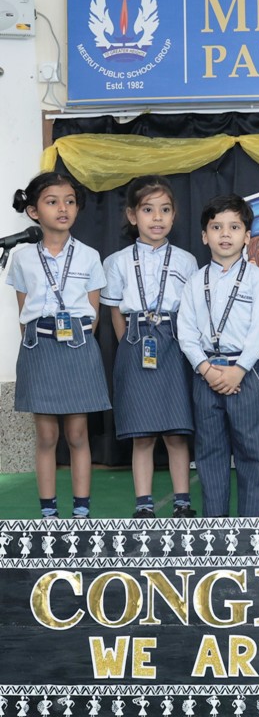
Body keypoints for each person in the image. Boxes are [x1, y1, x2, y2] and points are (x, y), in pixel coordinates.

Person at [7, 172, 110, 519]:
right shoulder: (22, 258)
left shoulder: (89, 256)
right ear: (34, 211)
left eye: (69, 201)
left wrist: (76, 341)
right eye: (52, 202)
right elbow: (24, 312)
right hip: (39, 347)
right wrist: (39, 345)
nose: (63, 208)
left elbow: (93, 313)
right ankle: (48, 513)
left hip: (78, 348)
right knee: (47, 435)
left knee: (78, 433)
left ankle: (81, 511)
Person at [101, 175, 198, 518]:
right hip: (135, 341)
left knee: (176, 433)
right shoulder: (117, 261)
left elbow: (191, 311)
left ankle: (182, 502)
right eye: (147, 210)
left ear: (174, 215)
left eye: (165, 210)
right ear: (132, 215)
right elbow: (115, 311)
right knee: (141, 434)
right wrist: (129, 342)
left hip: (174, 343)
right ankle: (143, 504)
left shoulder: (186, 261)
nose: (157, 218)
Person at [177, 193, 259, 517]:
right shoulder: (195, 282)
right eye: (216, 227)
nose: (225, 234)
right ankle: (215, 526)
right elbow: (186, 332)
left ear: (247, 237)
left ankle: (253, 529)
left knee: (251, 452)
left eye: (234, 227)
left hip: (245, 374)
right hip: (206, 373)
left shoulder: (258, 280)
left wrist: (239, 370)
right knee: (210, 453)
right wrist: (205, 369)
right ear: (204, 236)